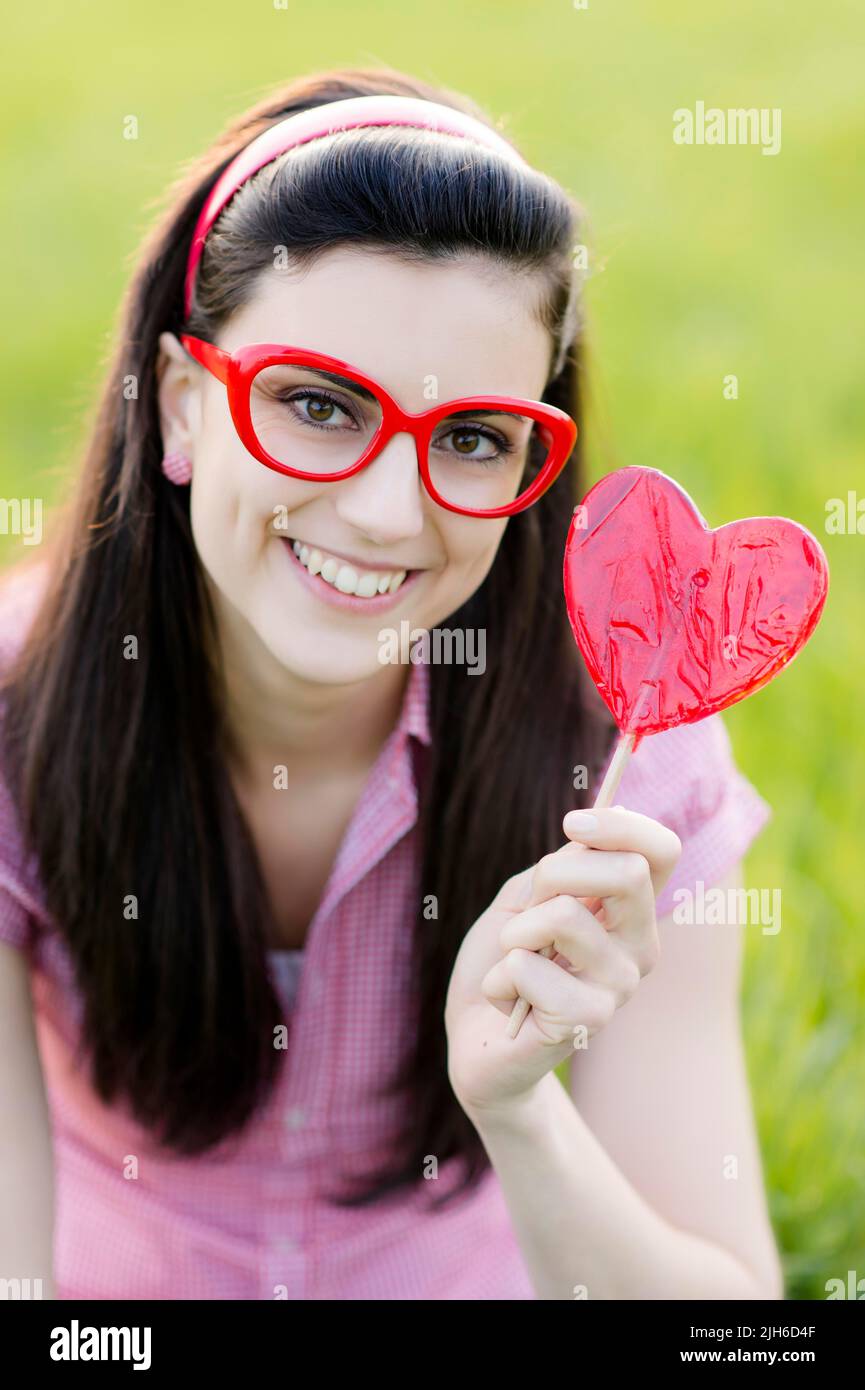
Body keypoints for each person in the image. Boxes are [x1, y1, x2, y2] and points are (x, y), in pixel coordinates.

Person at [0, 67, 783, 1300]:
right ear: (184, 406)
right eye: (316, 405)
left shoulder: (633, 752)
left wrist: (518, 1110)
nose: (385, 510)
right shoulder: (14, 718)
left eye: (472, 437)